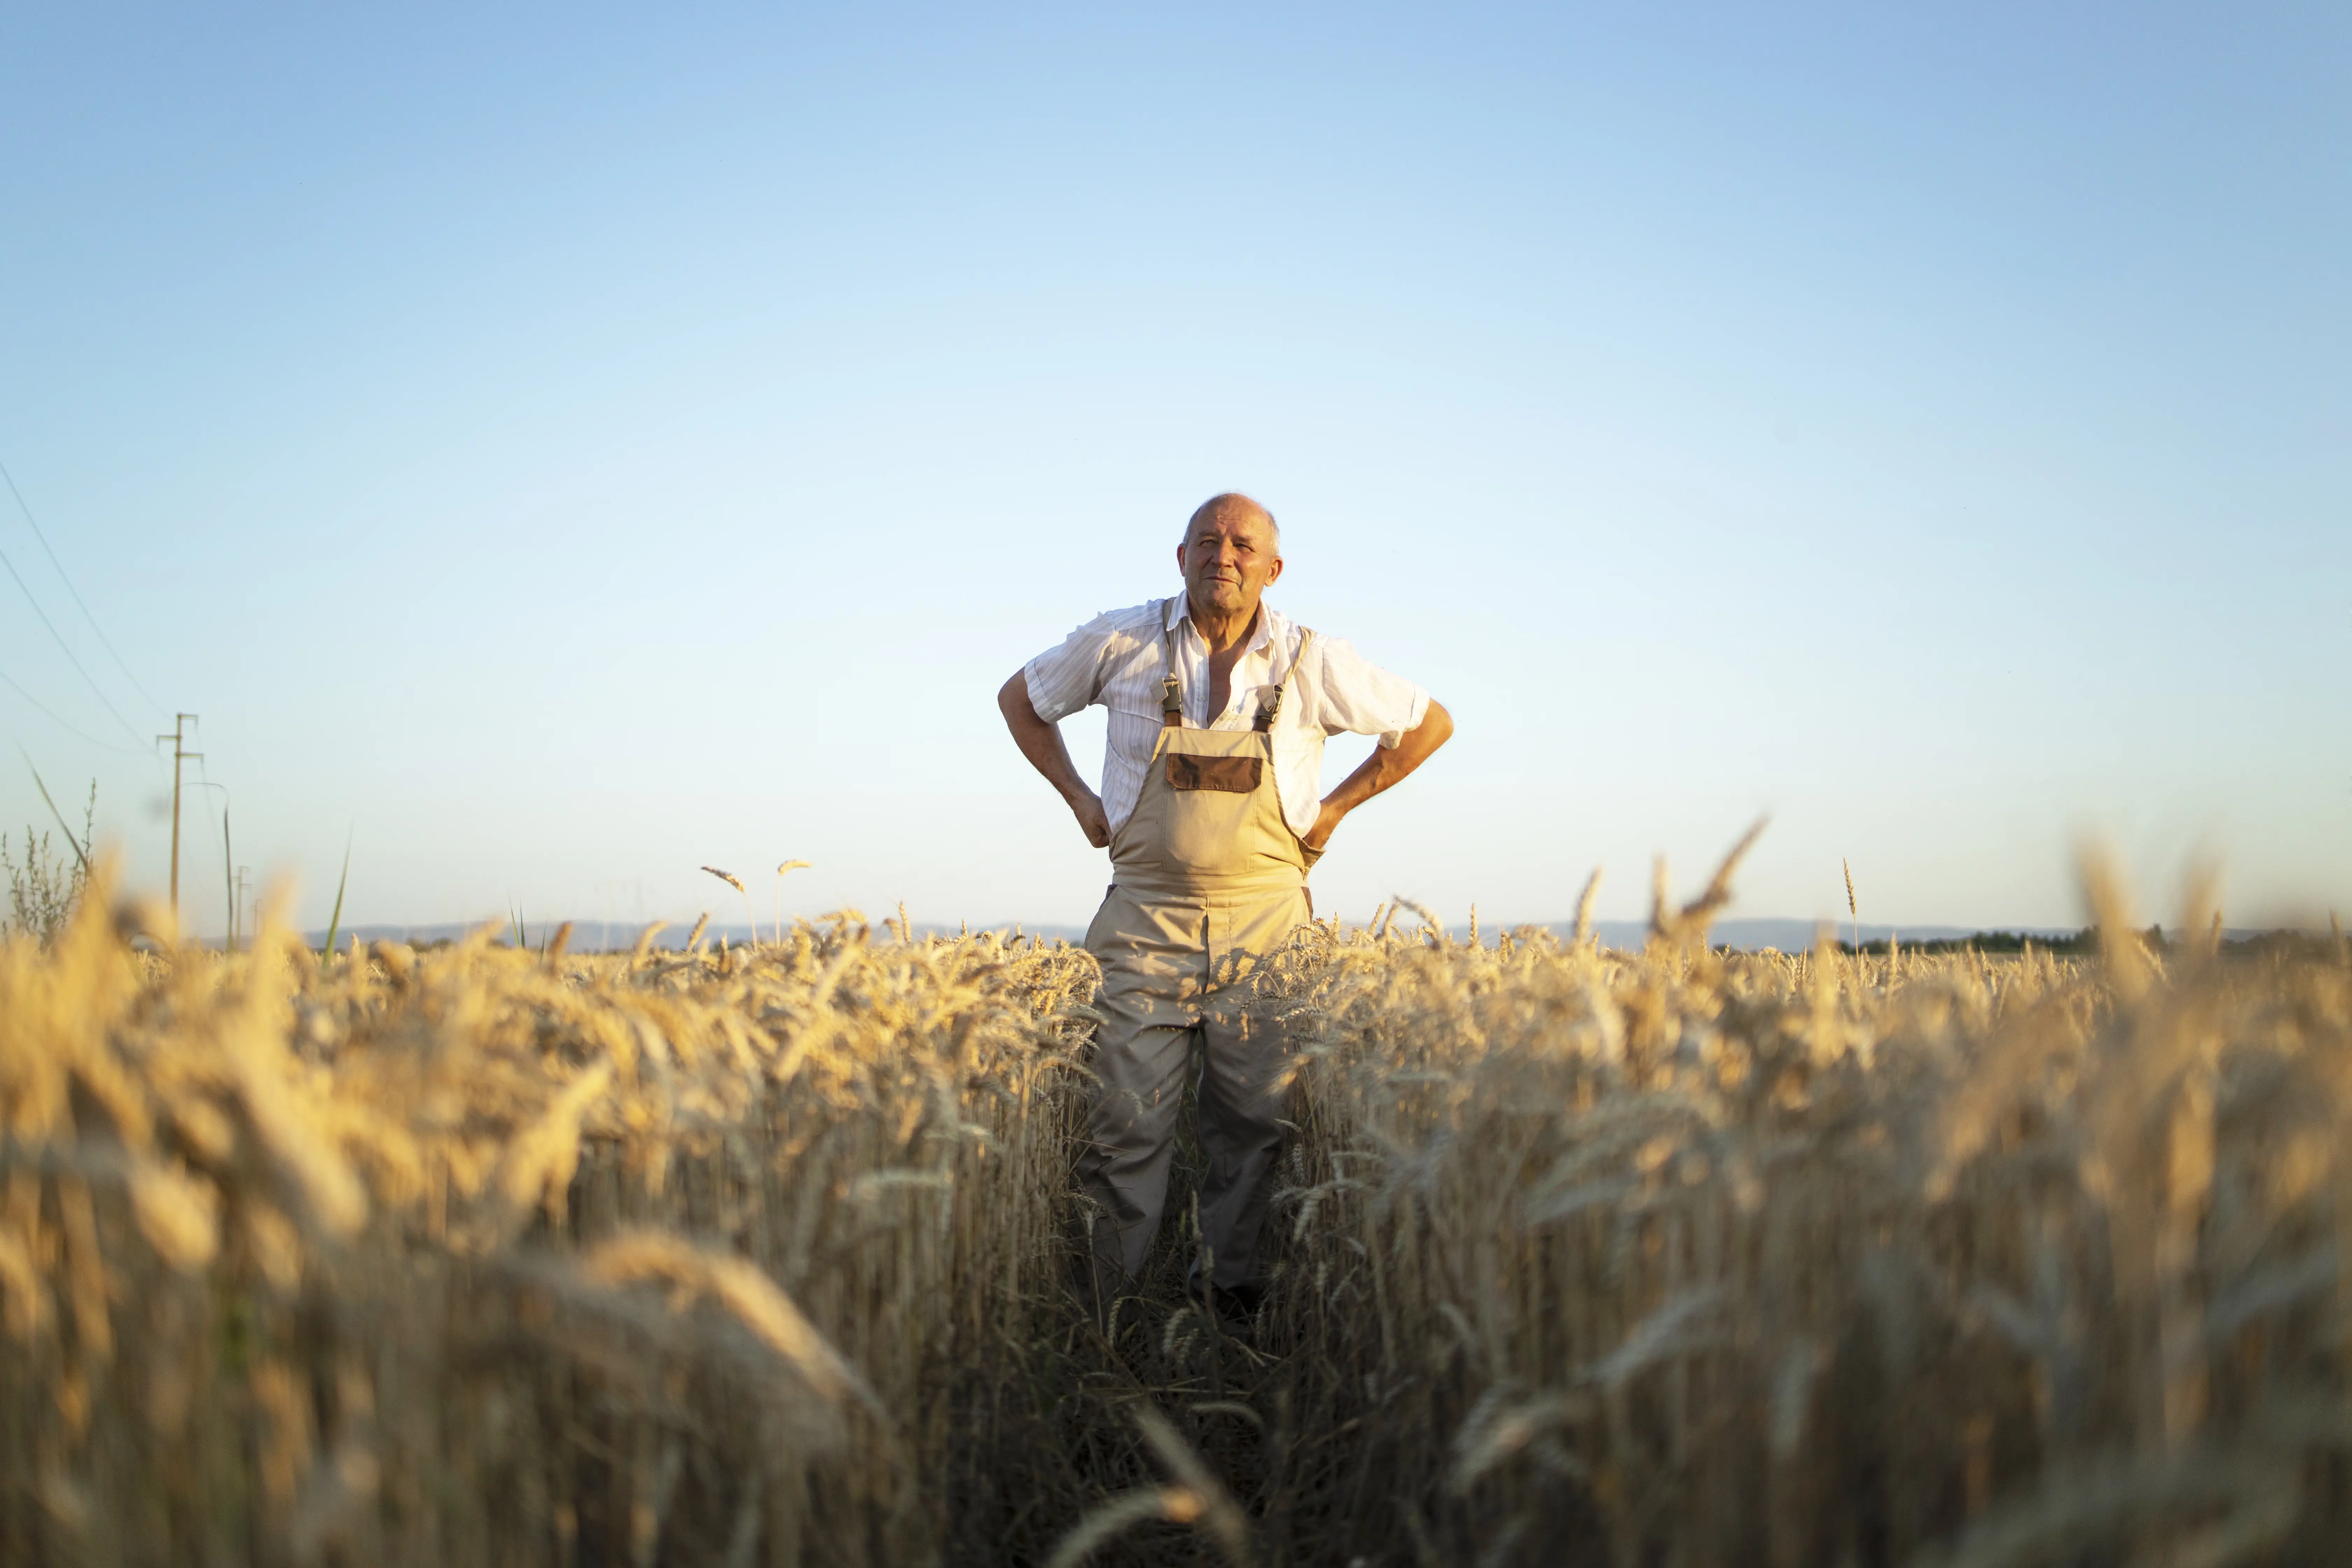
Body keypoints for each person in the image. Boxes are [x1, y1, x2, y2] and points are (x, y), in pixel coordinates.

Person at [997, 492, 1452, 1323]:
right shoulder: (1123, 640)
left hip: (1266, 928)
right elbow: (1019, 699)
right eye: (1208, 541)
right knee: (1126, 1121)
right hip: (1144, 921)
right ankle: (1113, 1314)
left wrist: (1336, 811)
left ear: (1273, 569)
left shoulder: (1312, 659)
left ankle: (1231, 1309)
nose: (1225, 555)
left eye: (1244, 544)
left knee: (1253, 1127)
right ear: (1180, 557)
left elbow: (1427, 724)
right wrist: (1077, 797)